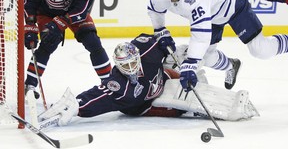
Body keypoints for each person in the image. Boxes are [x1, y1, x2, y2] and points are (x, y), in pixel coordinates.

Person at [37, 33, 258, 127]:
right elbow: (98, 96)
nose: (131, 67)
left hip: (160, 77)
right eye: (125, 65)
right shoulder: (119, 86)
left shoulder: (147, 53)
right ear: (118, 65)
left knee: (182, 53)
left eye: (133, 62)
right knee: (182, 106)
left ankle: (223, 66)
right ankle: (214, 105)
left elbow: (154, 39)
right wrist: (76, 106)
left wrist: (164, 39)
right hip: (145, 104)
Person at [147, 0, 288, 93]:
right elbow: (155, 10)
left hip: (233, 5)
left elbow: (200, 36)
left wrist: (191, 63)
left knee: (261, 50)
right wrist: (160, 31)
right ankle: (232, 66)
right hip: (213, 11)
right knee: (207, 57)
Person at [24, 0, 112, 98]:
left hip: (74, 13)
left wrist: (62, 21)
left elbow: (84, 7)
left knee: (93, 41)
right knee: (48, 42)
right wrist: (30, 26)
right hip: (47, 13)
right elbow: (30, 1)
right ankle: (30, 84)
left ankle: (110, 83)